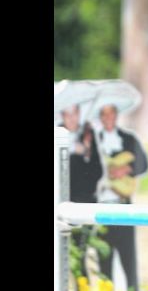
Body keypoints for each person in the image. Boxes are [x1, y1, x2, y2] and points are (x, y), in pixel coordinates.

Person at [94, 104, 148, 290]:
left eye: (112, 114)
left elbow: (144, 164)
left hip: (123, 204)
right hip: (101, 206)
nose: (108, 118)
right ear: (100, 117)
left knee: (129, 258)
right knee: (104, 259)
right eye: (104, 114)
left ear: (116, 116)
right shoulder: (94, 140)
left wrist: (128, 169)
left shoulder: (129, 139)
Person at [58, 104, 103, 280]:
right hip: (60, 201)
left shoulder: (89, 135)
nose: (71, 118)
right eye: (67, 114)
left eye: (74, 113)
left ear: (78, 114)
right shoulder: (57, 133)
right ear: (62, 115)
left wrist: (85, 152)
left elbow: (97, 172)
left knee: (80, 255)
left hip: (83, 202)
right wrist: (71, 151)